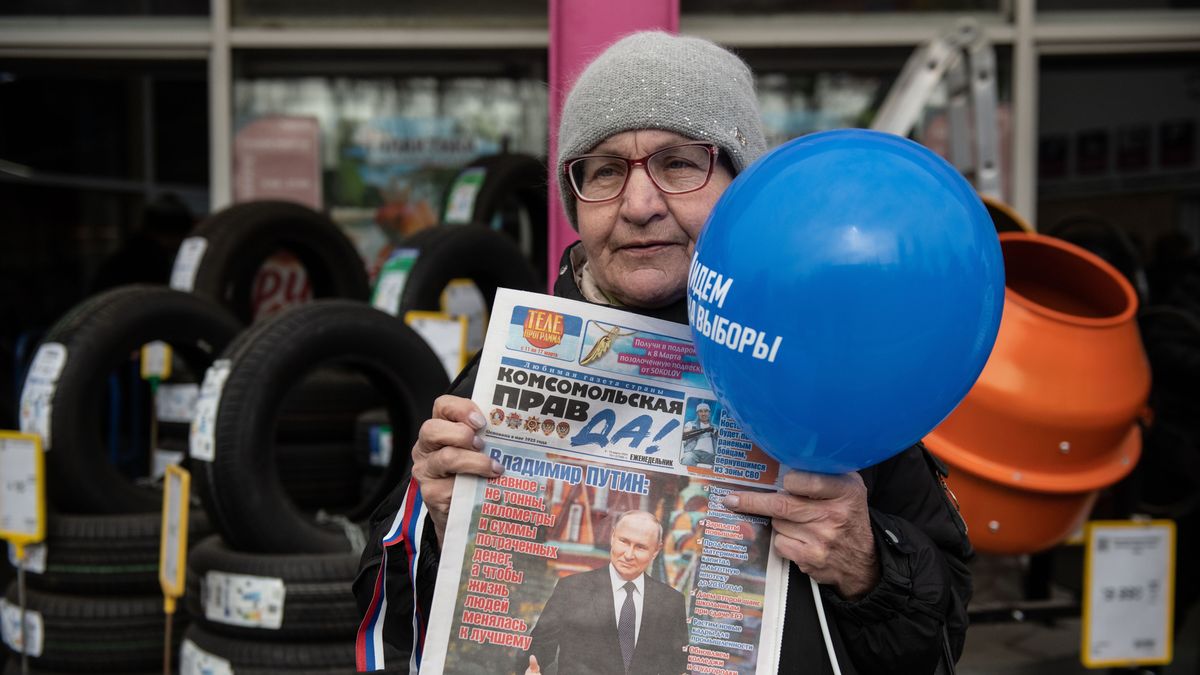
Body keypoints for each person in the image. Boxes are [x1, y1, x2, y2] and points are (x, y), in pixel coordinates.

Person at [355, 30, 973, 675]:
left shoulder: (831, 363)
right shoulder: (502, 373)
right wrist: (434, 528)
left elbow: (944, 630)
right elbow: (393, 623)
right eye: (606, 170)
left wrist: (869, 566)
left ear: (742, 191)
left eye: (679, 163)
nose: (640, 206)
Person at [521, 510, 687, 675]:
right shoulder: (571, 589)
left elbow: (678, 667)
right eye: (624, 541)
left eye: (640, 547)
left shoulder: (672, 602)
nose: (629, 555)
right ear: (613, 537)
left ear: (656, 551)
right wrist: (530, 670)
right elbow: (538, 649)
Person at [679, 401, 717, 466]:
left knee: (720, 463)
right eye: (700, 411)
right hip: (693, 453)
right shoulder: (691, 424)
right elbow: (684, 435)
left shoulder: (716, 427)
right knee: (687, 458)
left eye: (706, 411)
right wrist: (705, 430)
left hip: (711, 456)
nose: (703, 414)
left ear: (709, 413)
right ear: (697, 413)